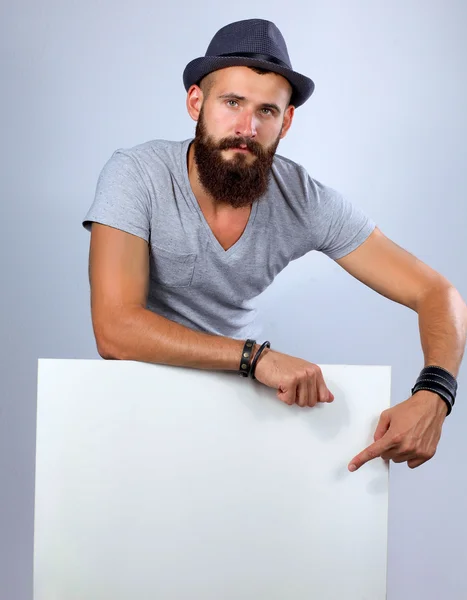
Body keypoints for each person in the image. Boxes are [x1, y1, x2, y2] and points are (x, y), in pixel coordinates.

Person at [82, 19, 466, 472]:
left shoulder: (303, 199)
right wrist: (253, 357)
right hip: (135, 402)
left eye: (266, 111)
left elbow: (436, 293)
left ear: (286, 120)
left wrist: (435, 395)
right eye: (232, 102)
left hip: (240, 408)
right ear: (195, 102)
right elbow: (114, 329)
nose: (247, 126)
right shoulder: (136, 175)